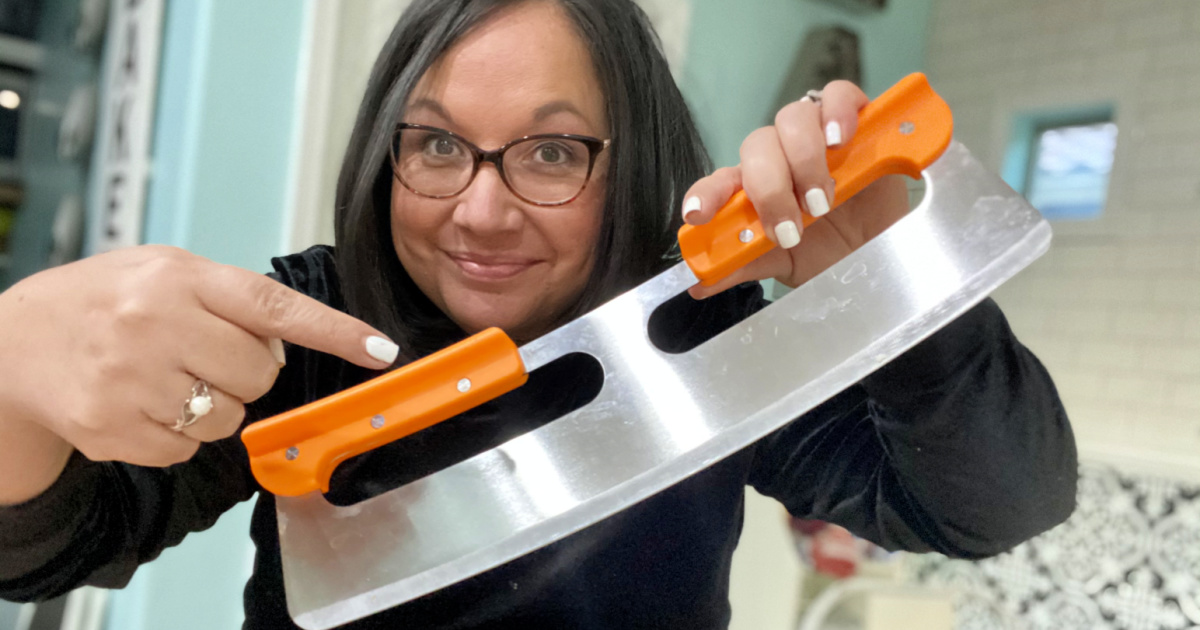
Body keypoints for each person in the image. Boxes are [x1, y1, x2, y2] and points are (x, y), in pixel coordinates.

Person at [0, 0, 1077, 628]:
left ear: (634, 162)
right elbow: (41, 552)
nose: (480, 209)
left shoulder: (706, 330)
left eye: (553, 152)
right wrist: (14, 371)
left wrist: (902, 288)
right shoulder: (310, 328)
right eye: (434, 145)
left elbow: (989, 507)